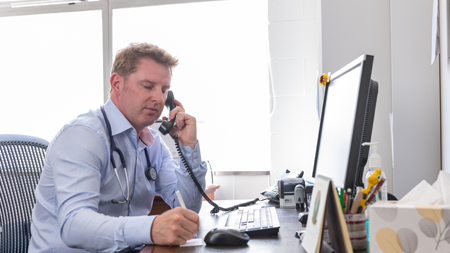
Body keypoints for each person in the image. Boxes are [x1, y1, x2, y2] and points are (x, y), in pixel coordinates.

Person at [29, 42, 207, 252]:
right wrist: (151, 228)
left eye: (164, 90)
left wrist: (188, 147)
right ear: (116, 83)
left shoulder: (154, 145)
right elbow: (73, 225)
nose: (158, 98)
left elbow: (187, 206)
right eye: (148, 86)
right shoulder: (83, 136)